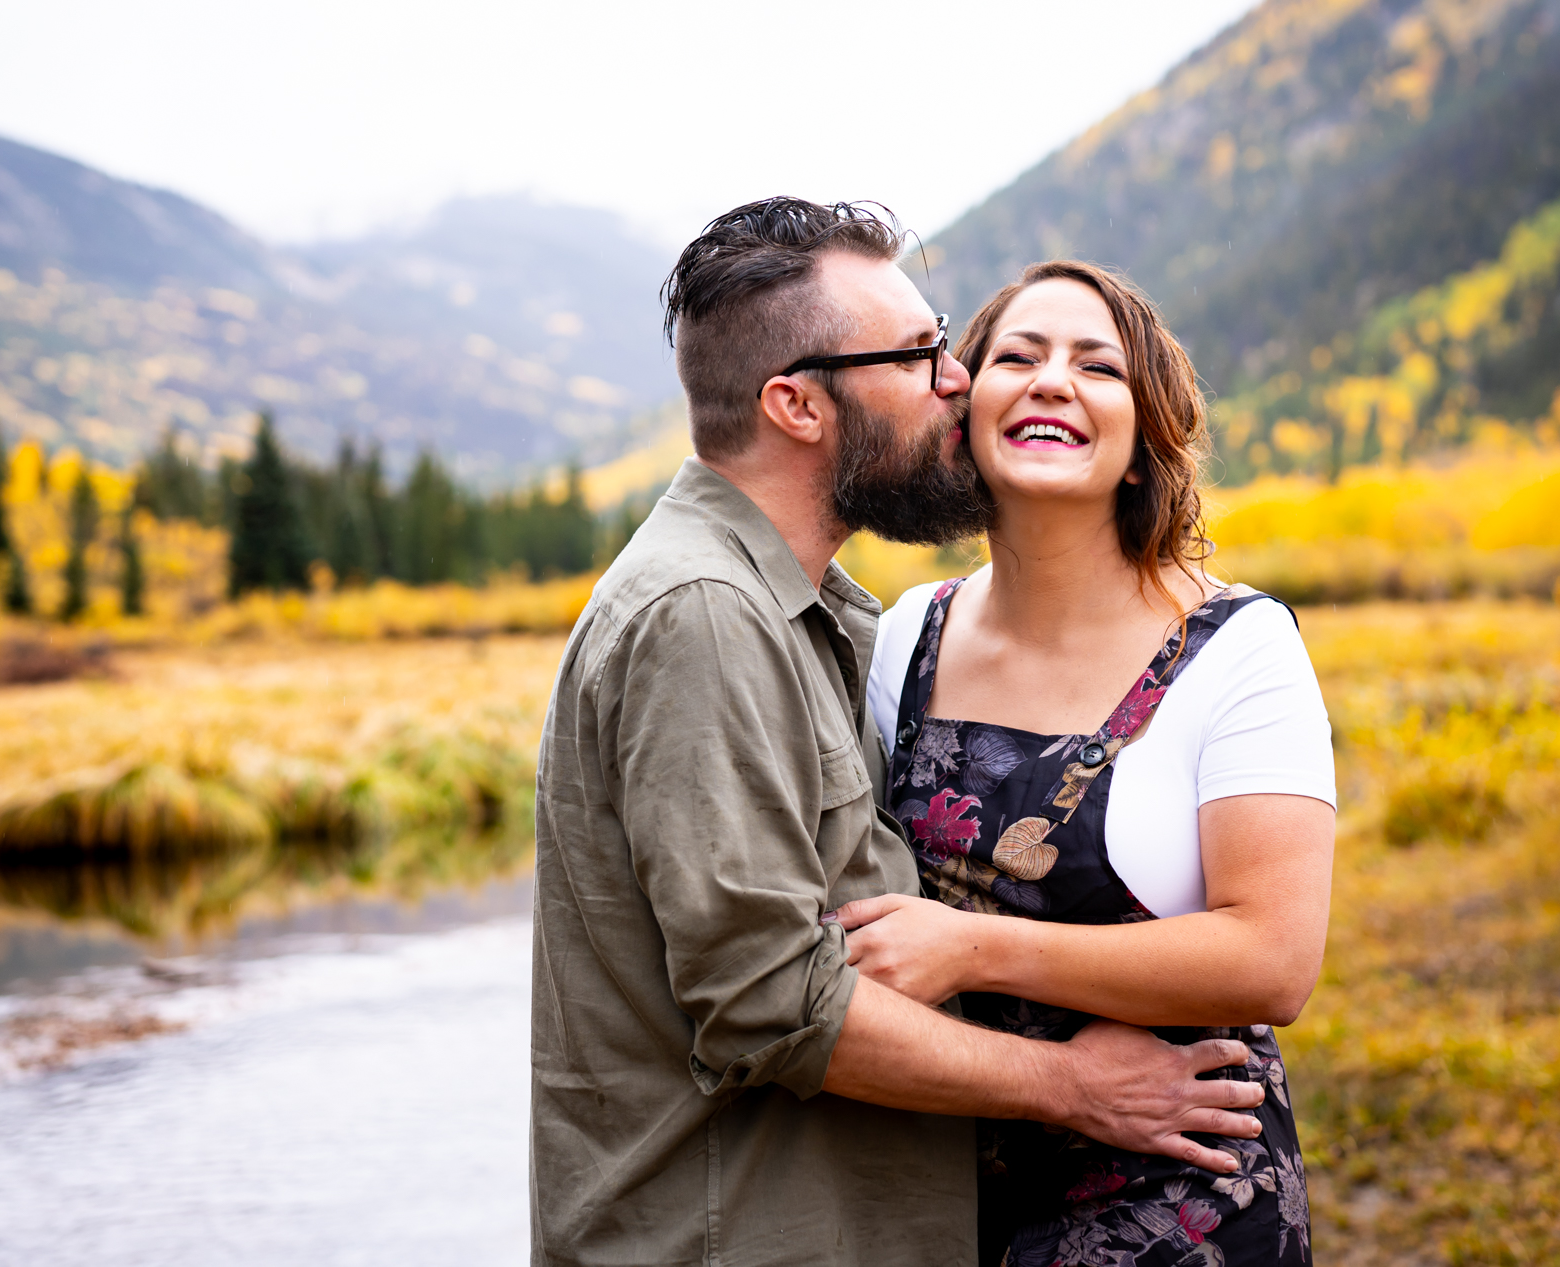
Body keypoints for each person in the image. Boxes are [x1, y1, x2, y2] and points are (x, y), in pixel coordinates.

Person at [529, 203, 1270, 1267]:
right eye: (920, 354)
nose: (958, 377)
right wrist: (1076, 1087)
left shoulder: (827, 613)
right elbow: (771, 1001)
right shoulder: (701, 611)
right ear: (796, 404)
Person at [841, 260, 1336, 1266]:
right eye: (1016, 356)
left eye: (1096, 366)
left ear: (1144, 434)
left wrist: (971, 948)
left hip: (1179, 1198)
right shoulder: (906, 638)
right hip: (938, 1195)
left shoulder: (1239, 647)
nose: (1052, 380)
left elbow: (1272, 958)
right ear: (962, 406)